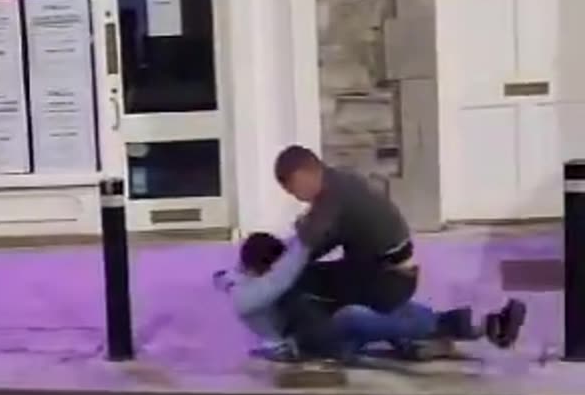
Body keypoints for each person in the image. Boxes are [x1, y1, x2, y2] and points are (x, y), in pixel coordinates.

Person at [272, 144, 524, 346]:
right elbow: (323, 242)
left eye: (293, 189)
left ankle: (323, 344)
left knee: (337, 311)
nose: (295, 197)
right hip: (385, 270)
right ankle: (465, 325)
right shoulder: (338, 182)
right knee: (321, 284)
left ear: (304, 175)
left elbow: (309, 243)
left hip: (387, 277)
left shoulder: (331, 197)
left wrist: (273, 267)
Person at [216, 232, 526, 362]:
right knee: (354, 316)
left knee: (384, 306)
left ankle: (471, 330)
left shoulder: (255, 277)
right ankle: (464, 328)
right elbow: (272, 284)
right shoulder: (249, 295)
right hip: (307, 346)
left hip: (325, 330)